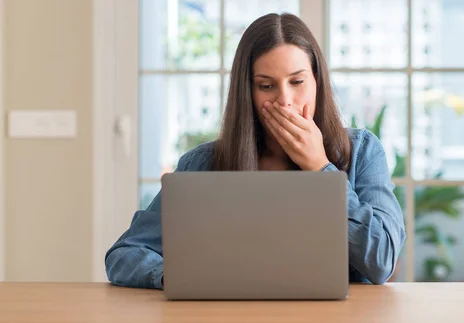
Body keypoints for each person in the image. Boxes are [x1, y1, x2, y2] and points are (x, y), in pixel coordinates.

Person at [105, 12, 406, 289]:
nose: (285, 100)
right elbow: (125, 254)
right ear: (246, 91)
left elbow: (381, 262)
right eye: (266, 86)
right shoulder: (203, 163)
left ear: (318, 82)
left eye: (297, 81)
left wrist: (321, 170)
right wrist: (173, 275)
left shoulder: (363, 151)